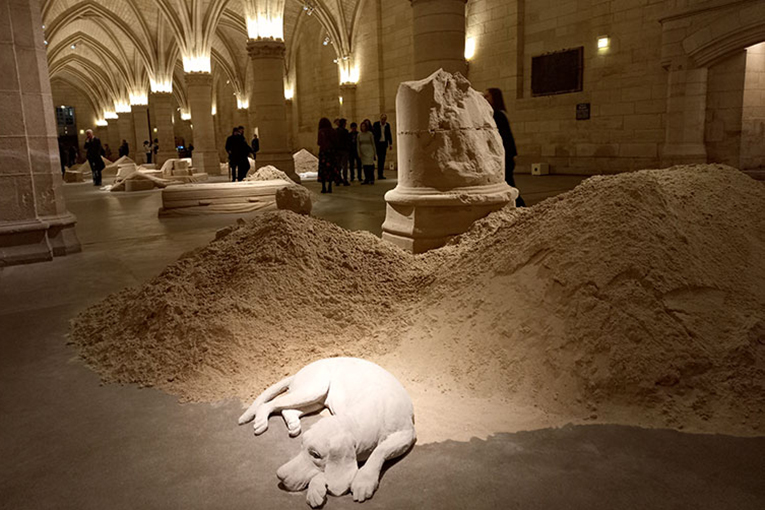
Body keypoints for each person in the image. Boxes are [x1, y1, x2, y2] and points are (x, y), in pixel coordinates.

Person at [485, 88, 526, 207]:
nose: (484, 98)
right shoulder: (495, 115)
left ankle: (520, 207)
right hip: (503, 157)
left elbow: (504, 139)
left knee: (508, 185)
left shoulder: (498, 115)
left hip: (504, 157)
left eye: (487, 96)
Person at [317, 117, 338, 193]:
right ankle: (329, 186)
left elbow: (319, 142)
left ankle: (323, 187)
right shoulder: (333, 131)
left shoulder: (321, 131)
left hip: (323, 152)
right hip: (331, 152)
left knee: (323, 170)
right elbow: (335, 141)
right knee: (330, 169)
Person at [372, 113, 392, 180]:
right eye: (382, 119)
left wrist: (390, 144)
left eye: (385, 119)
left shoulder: (387, 125)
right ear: (380, 119)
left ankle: (381, 174)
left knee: (382, 159)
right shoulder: (376, 125)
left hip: (384, 144)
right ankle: (378, 173)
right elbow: (373, 134)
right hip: (378, 144)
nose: (383, 120)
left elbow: (389, 134)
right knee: (378, 159)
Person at [357, 119, 377, 185]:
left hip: (370, 150)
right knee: (365, 166)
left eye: (364, 126)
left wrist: (374, 152)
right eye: (362, 126)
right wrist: (359, 152)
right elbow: (358, 144)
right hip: (363, 151)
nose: (363, 128)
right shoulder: (359, 135)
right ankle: (366, 178)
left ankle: (371, 178)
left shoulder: (370, 134)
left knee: (370, 165)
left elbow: (373, 143)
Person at [336, 118, 351, 186]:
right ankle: (345, 179)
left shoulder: (336, 131)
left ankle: (338, 179)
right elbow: (347, 141)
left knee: (338, 166)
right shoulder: (345, 131)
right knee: (345, 166)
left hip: (337, 150)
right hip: (344, 150)